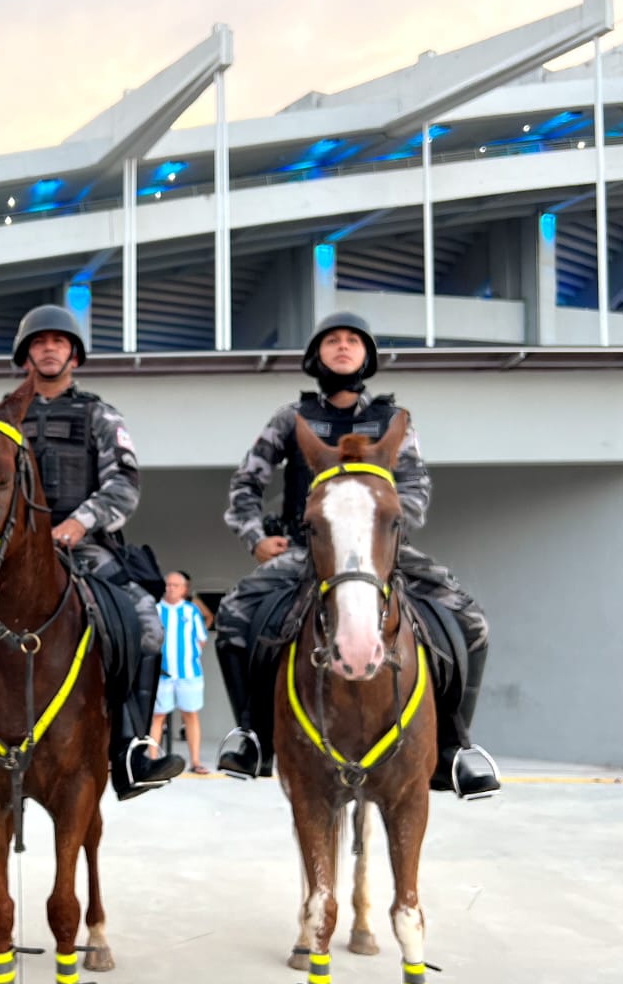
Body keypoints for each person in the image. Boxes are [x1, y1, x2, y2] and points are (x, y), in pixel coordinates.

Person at [0, 304, 186, 800]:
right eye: (38, 342)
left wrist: (78, 523)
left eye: (58, 342)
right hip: (10, 549)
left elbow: (124, 484)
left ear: (74, 356)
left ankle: (131, 748)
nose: (48, 348)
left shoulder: (100, 415)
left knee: (144, 618)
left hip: (81, 545)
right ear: (25, 356)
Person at [212, 311, 499, 798]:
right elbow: (247, 483)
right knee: (234, 614)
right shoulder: (291, 418)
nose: (342, 348)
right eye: (332, 341)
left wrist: (380, 527)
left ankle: (454, 745)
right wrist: (255, 537)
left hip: (383, 551)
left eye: (352, 341)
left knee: (470, 622)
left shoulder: (393, 420)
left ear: (367, 356)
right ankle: (252, 733)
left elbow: (415, 488)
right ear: (316, 355)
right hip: (310, 551)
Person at [151, 570, 209, 775]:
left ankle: (195, 761)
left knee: (191, 715)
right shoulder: (156, 610)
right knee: (158, 716)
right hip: (161, 674)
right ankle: (153, 760)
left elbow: (201, 638)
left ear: (184, 589)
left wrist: (189, 655)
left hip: (189, 673)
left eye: (176, 585)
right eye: (169, 585)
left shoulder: (191, 611)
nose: (171, 588)